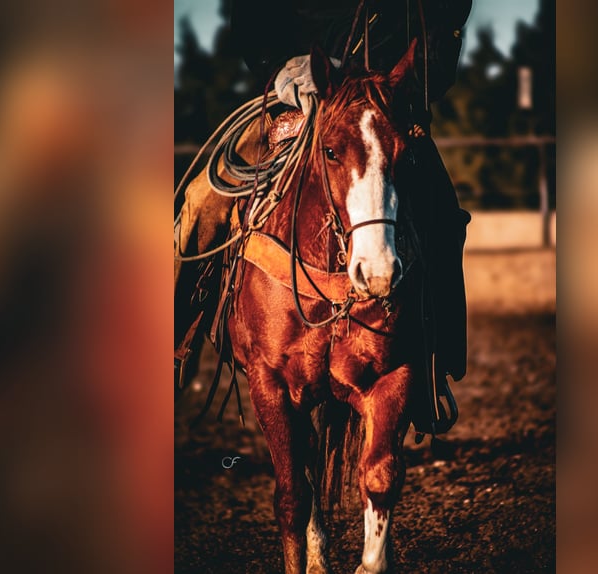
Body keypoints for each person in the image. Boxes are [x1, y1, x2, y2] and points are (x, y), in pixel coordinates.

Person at [176, 0, 472, 434]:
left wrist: (405, 81)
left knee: (444, 218)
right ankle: (173, 342)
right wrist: (281, 67)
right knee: (202, 199)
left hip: (383, 107)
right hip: (299, 97)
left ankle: (432, 368)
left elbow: (445, 20)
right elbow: (251, 17)